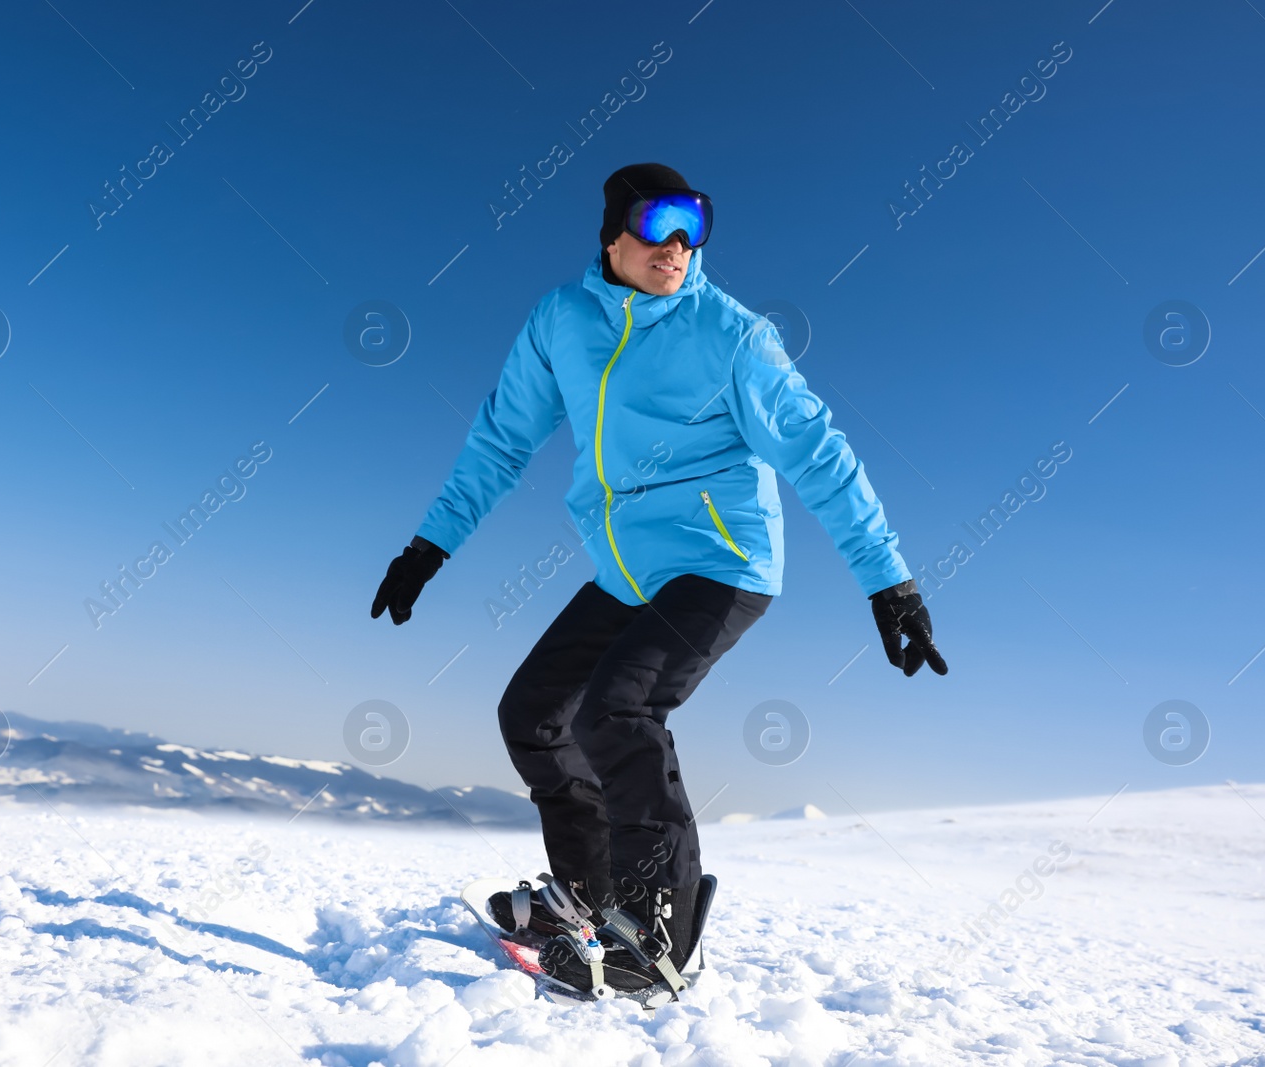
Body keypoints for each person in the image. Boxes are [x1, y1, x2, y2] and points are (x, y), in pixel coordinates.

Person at [371, 162, 947, 995]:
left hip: (721, 560)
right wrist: (430, 547)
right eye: (657, 224)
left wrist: (887, 579)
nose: (676, 246)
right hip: (628, 569)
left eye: (694, 226)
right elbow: (502, 440)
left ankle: (663, 933)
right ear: (612, 234)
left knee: (621, 705)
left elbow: (818, 453)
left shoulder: (731, 335)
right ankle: (589, 896)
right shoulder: (562, 320)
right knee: (531, 713)